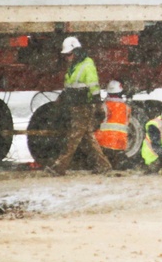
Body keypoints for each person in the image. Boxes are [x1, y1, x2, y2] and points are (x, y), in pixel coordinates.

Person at [50, 36, 113, 175]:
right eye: (65, 55)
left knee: (74, 138)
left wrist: (97, 105)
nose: (67, 57)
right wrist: (62, 98)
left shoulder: (87, 64)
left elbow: (93, 86)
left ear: (77, 52)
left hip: (84, 106)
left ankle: (59, 167)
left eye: (69, 54)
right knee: (87, 138)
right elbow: (70, 86)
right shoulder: (73, 66)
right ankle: (104, 166)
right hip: (76, 106)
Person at [94, 79, 131, 169]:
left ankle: (104, 162)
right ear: (121, 92)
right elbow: (127, 123)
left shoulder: (104, 106)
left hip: (104, 142)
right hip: (121, 143)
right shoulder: (127, 107)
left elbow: (96, 122)